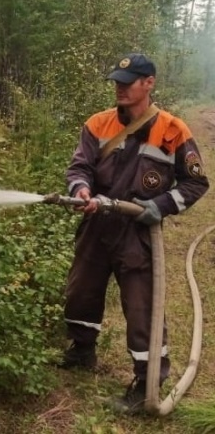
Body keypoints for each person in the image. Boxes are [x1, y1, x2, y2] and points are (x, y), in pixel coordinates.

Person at [59, 53, 209, 413]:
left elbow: (195, 183)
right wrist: (81, 190)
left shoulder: (172, 130)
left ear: (149, 83)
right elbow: (80, 166)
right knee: (81, 291)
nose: (120, 88)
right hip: (96, 224)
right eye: (117, 81)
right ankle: (82, 351)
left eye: (129, 81)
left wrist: (158, 207)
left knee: (143, 307)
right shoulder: (97, 124)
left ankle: (147, 384)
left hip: (137, 232)